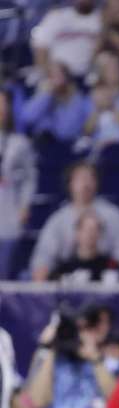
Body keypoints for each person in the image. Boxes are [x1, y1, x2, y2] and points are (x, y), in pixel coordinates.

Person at [30, 161, 119, 281]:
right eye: (80, 179)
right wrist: (42, 271)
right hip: (68, 274)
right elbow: (43, 255)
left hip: (105, 274)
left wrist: (111, 268)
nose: (85, 184)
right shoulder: (58, 219)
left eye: (90, 178)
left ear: (96, 183)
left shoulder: (113, 215)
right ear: (70, 184)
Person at [0, 89, 35, 280]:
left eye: (5, 104)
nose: (1, 108)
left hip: (8, 217)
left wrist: (24, 206)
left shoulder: (19, 143)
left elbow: (30, 178)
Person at [18, 59, 91, 143]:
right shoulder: (44, 96)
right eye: (52, 76)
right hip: (42, 144)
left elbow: (67, 132)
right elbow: (27, 118)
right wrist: (46, 95)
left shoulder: (77, 99)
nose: (56, 81)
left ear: (67, 78)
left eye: (60, 75)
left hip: (67, 144)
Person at [31, 0, 102, 80]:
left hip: (89, 75)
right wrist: (45, 75)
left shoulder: (101, 19)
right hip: (57, 75)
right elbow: (41, 47)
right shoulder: (57, 16)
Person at [50, 211, 119, 282]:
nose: (90, 234)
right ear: (77, 232)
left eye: (94, 230)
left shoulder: (111, 267)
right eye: (86, 229)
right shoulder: (64, 269)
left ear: (100, 234)